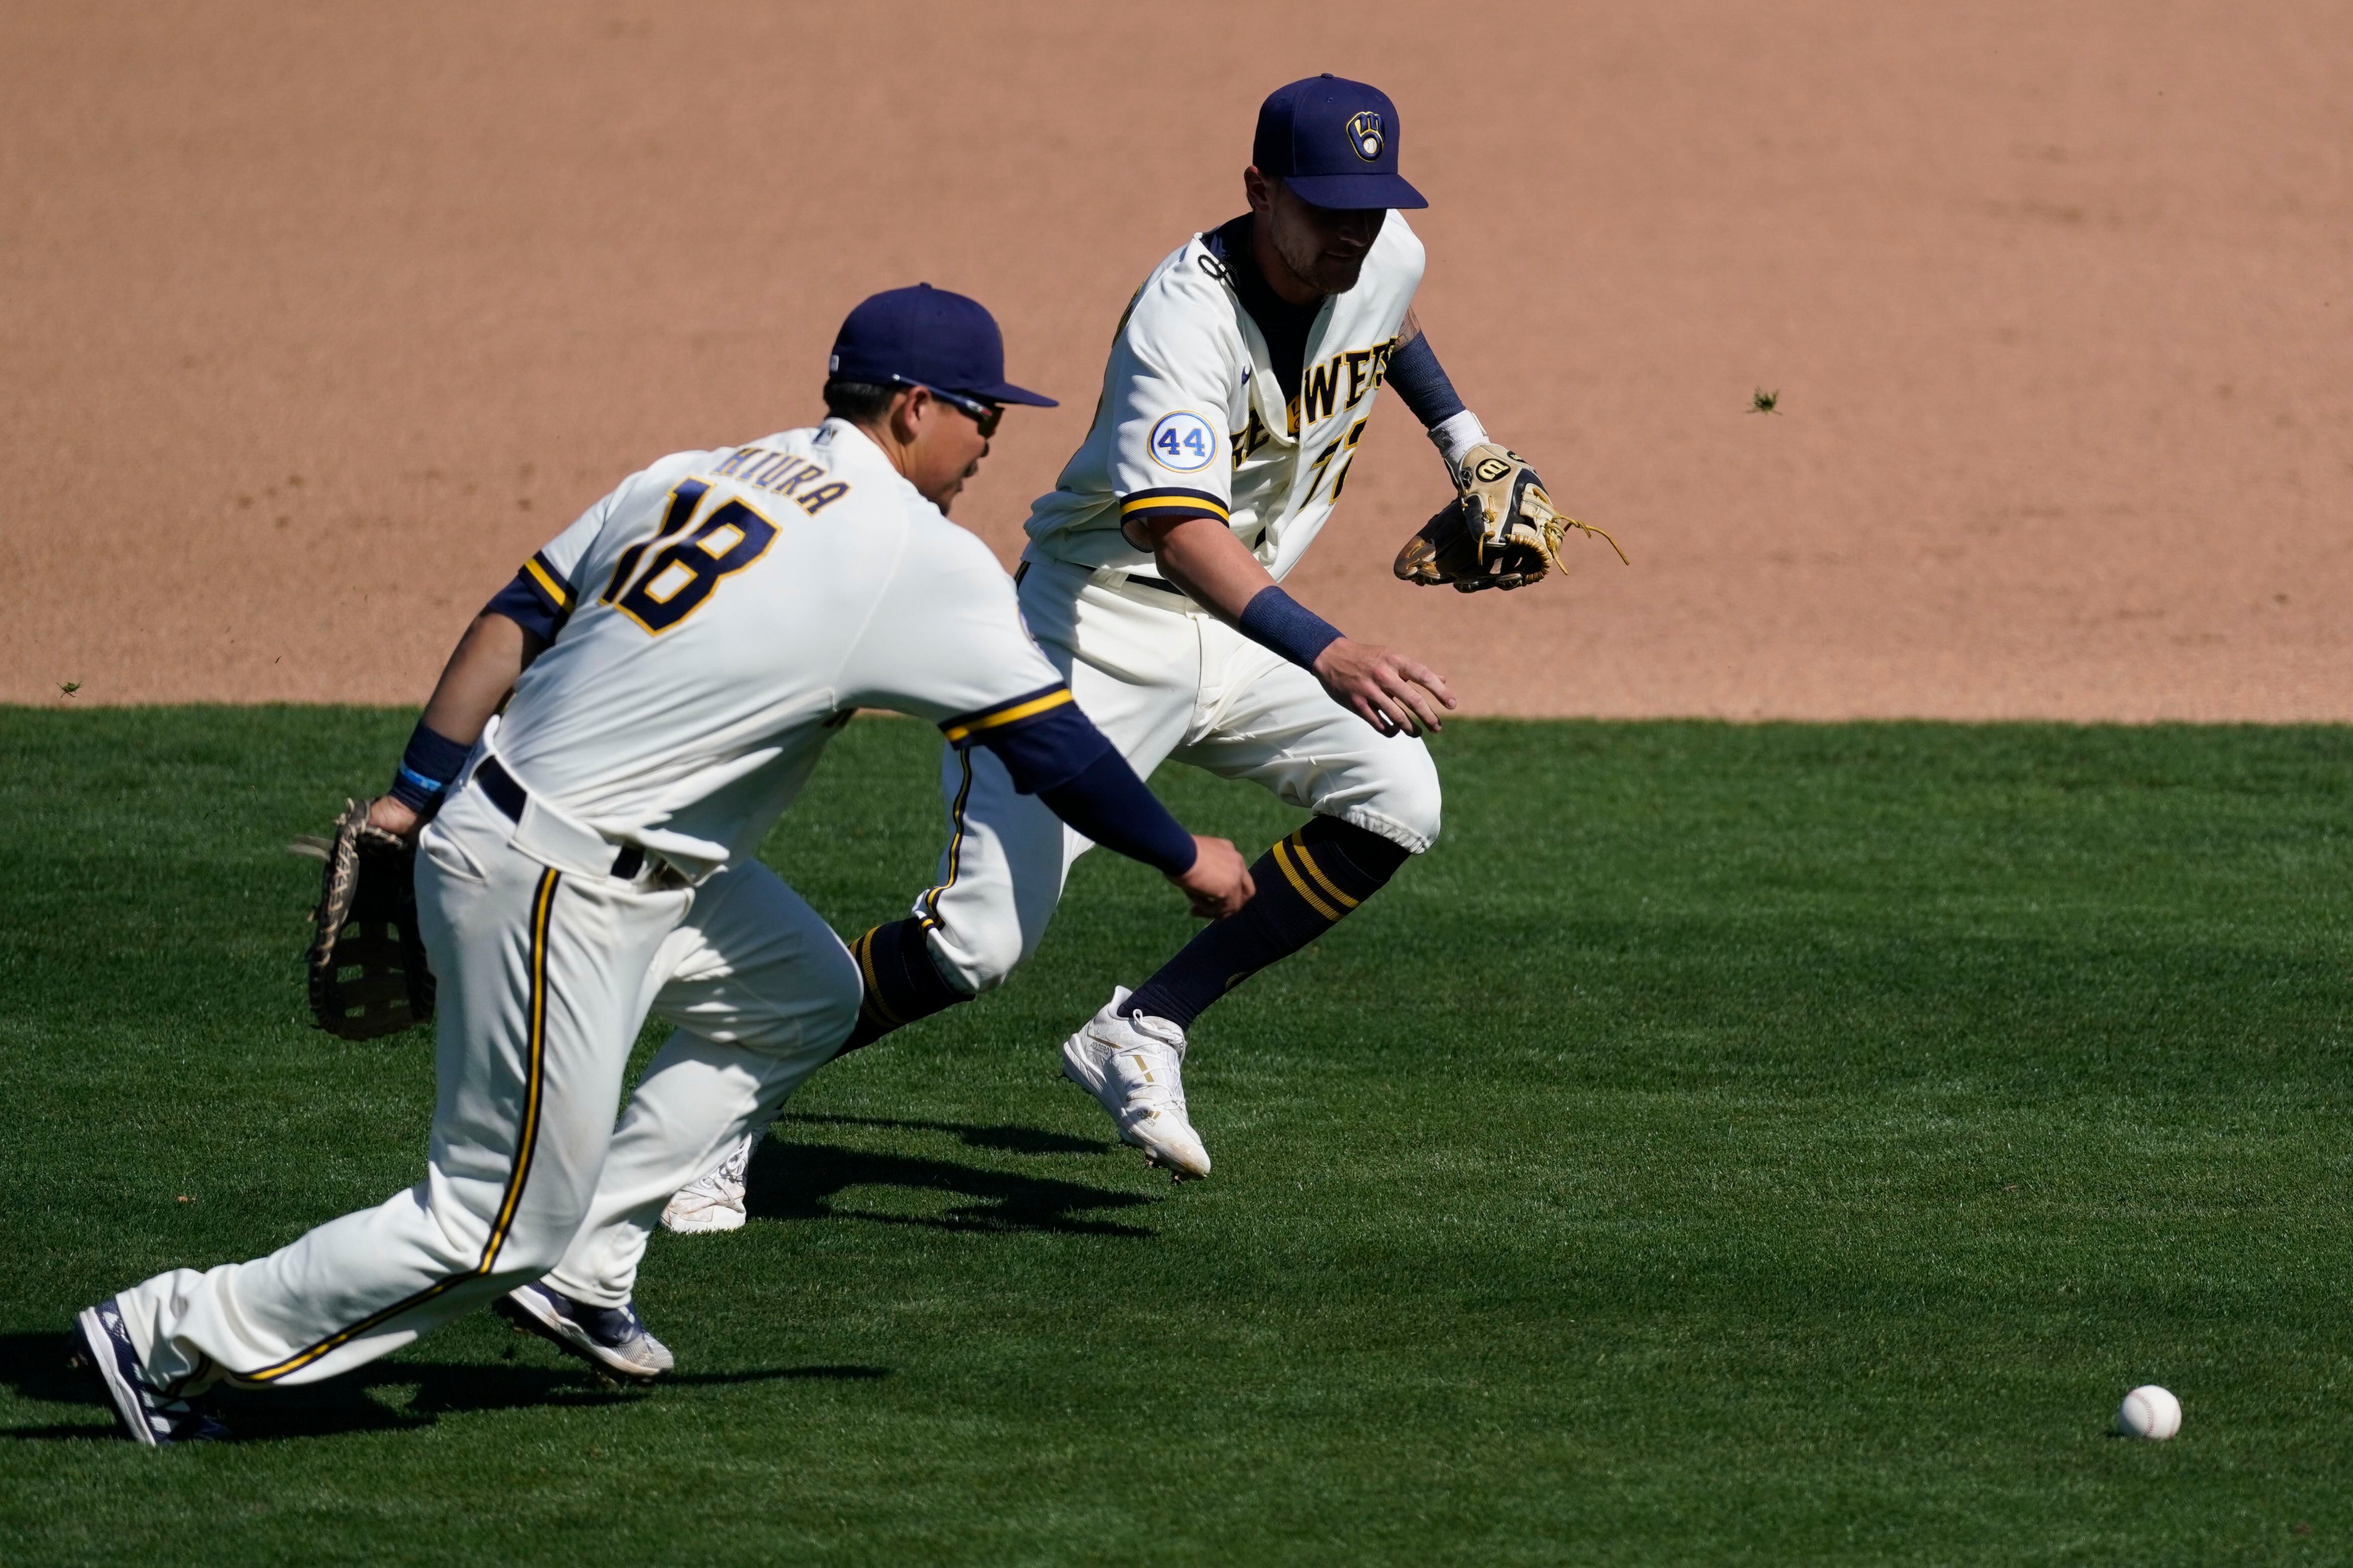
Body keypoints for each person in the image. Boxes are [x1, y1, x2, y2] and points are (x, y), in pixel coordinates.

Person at [69, 284, 1253, 1443]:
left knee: (804, 993)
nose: (991, 439)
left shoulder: (693, 471)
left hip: (528, 830)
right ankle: (171, 1332)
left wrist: (409, 797)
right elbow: (1047, 743)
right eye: (979, 414)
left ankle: (589, 1264)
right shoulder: (911, 551)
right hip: (559, 883)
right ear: (909, 407)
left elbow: (511, 618)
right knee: (491, 1225)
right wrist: (1179, 850)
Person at [665, 72, 1553, 1228]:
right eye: (1327, 205)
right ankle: (724, 1108)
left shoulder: (1376, 255)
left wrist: (1467, 446)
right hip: (1093, 632)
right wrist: (1327, 651)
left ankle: (1145, 1024)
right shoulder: (1181, 323)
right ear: (1257, 190)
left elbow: (1392, 320)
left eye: (1372, 206)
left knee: (1397, 795)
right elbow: (1176, 531)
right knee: (976, 944)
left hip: (1239, 623)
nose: (1353, 231)